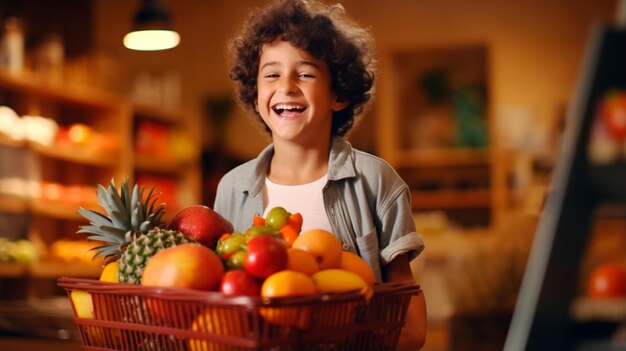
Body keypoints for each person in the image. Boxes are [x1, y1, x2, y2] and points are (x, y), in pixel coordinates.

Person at [213, 0, 426, 349]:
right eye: (271, 74)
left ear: (338, 93)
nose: (286, 86)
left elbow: (407, 301)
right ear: (256, 95)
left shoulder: (375, 180)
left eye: (306, 73)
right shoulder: (232, 188)